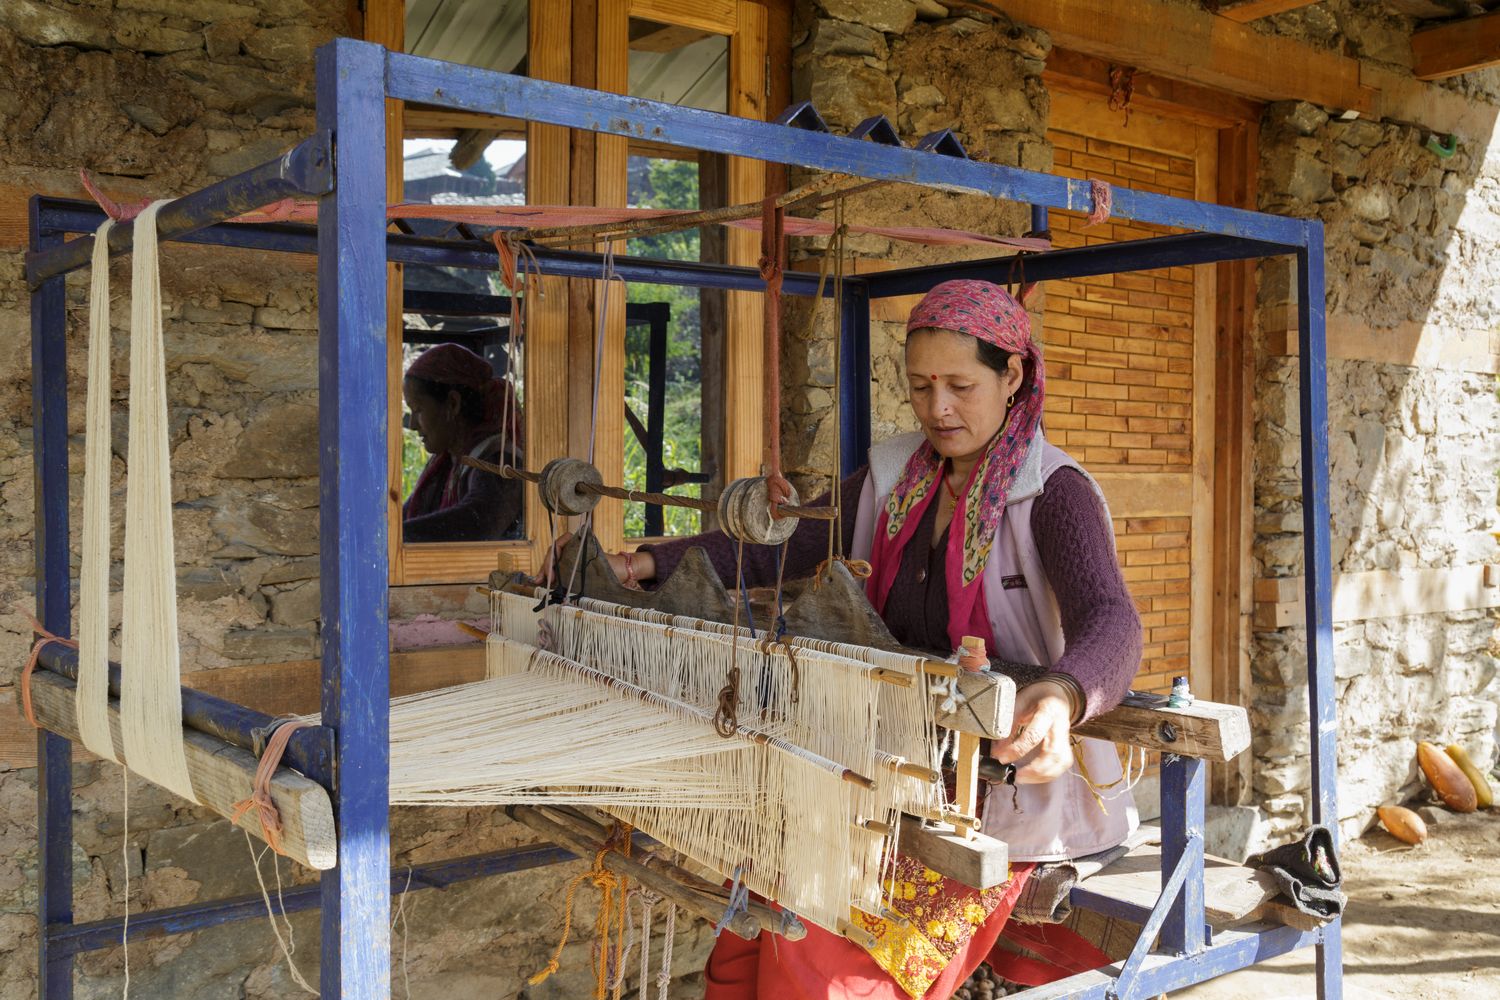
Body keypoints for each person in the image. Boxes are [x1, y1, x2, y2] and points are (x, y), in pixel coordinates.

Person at [571, 279, 1143, 999]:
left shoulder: (1054, 492)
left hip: (995, 796)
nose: (939, 408)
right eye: (922, 385)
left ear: (1014, 375)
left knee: (831, 974)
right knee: (748, 945)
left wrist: (1063, 694)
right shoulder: (893, 474)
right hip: (880, 774)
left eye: (961, 385)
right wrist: (643, 563)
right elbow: (780, 544)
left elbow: (1111, 617)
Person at [402, 342, 524, 543]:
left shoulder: (499, 460)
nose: (413, 425)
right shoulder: (448, 462)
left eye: (418, 410)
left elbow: (479, 522)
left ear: (453, 403)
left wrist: (394, 535)